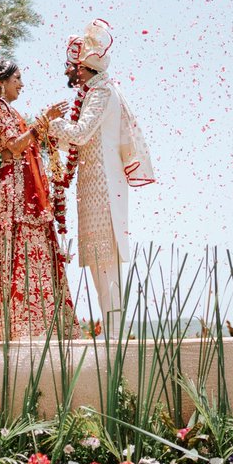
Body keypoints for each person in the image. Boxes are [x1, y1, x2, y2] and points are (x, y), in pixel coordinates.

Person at [48, 20, 155, 322]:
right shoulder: (95, 91)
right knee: (98, 262)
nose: (68, 71)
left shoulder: (102, 92)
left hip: (104, 190)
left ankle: (115, 335)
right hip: (93, 189)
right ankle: (112, 332)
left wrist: (50, 124)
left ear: (83, 67)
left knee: (106, 262)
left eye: (71, 66)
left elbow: (80, 133)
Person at [0, 62, 77, 340]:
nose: (22, 84)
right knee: (14, 250)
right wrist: (43, 120)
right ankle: (10, 326)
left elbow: (30, 142)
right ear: (2, 82)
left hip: (26, 191)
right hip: (12, 192)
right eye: (17, 78)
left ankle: (41, 322)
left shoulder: (12, 111)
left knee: (34, 248)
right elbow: (15, 145)